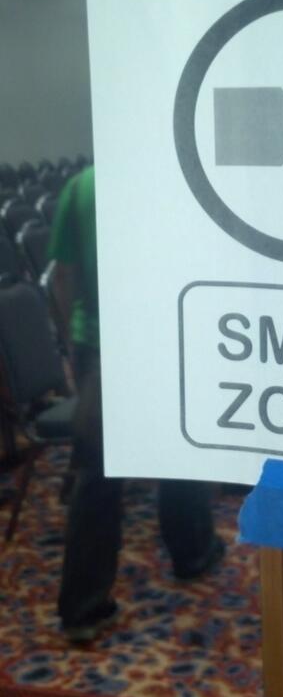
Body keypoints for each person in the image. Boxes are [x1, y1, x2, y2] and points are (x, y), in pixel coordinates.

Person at [49, 164, 224, 643]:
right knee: (180, 450)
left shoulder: (81, 186)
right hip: (166, 332)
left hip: (100, 344)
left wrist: (72, 344)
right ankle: (192, 553)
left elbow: (63, 275)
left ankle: (84, 608)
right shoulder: (175, 177)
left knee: (97, 474)